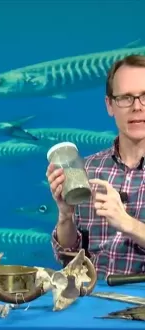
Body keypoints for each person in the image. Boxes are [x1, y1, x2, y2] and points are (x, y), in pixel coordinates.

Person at [47, 54, 145, 279]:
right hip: (91, 301)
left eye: (144, 96)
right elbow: (68, 256)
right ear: (110, 105)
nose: (137, 107)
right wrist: (65, 216)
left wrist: (126, 223)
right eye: (126, 98)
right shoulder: (86, 169)